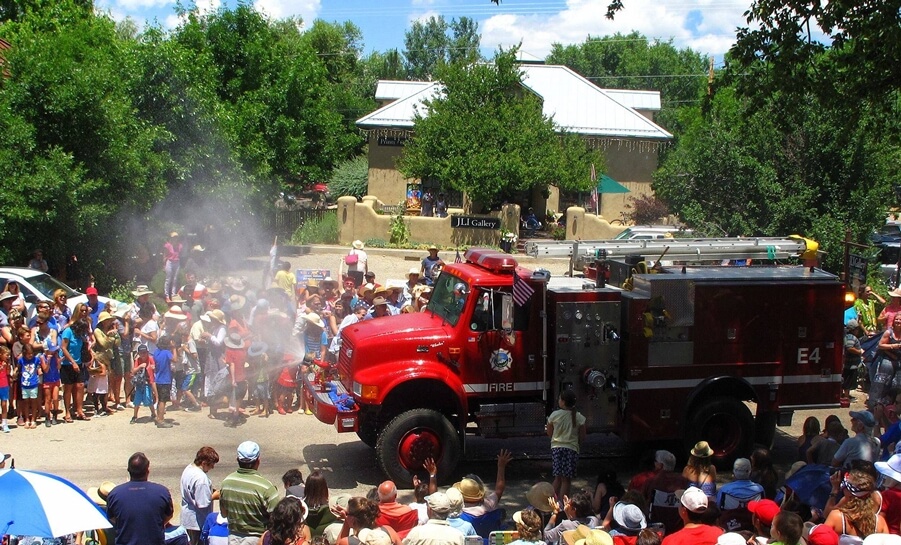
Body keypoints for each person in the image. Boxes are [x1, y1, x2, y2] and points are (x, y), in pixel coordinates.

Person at [220, 440, 281, 545]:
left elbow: (224, 513)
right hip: (258, 539)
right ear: (258, 461)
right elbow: (277, 519)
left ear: (237, 460)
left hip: (233, 538)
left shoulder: (226, 483)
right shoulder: (266, 488)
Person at [106, 452, 175, 545]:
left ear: (128, 470)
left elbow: (112, 517)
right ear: (147, 471)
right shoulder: (162, 492)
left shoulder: (114, 494)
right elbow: (168, 515)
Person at [823, 468, 889, 542]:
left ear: (850, 493)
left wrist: (834, 489)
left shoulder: (836, 516)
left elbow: (821, 540)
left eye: (844, 485)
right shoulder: (880, 522)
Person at [547, 389, 587, 499]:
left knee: (557, 478)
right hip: (571, 449)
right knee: (566, 480)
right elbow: (582, 436)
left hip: (556, 448)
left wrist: (555, 439)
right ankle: (563, 503)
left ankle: (547, 501)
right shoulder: (579, 417)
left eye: (560, 398)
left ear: (563, 402)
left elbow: (549, 432)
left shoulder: (554, 415)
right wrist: (577, 444)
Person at [181, 446, 220, 545]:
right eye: (211, 464)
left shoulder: (189, 468)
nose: (212, 467)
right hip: (197, 522)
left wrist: (209, 491)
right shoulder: (201, 478)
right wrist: (215, 495)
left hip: (188, 519)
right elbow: (202, 503)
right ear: (204, 463)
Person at [335, 496, 401, 545]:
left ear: (353, 519)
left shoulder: (347, 542)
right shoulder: (388, 531)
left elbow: (338, 543)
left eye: (347, 513)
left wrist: (346, 522)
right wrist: (349, 516)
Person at [875, 453, 901, 534]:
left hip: (887, 536)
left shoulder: (888, 495)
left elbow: (878, 520)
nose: (885, 477)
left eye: (887, 474)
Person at [131, 344, 157, 424]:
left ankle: (153, 414)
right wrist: (140, 366)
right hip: (139, 383)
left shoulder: (150, 358)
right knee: (137, 400)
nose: (143, 354)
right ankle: (134, 416)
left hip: (148, 382)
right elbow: (133, 371)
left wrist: (154, 367)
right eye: (141, 353)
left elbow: (155, 368)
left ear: (147, 352)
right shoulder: (138, 360)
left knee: (148, 398)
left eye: (145, 352)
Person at [844, 321, 864, 402]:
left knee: (847, 381)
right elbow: (849, 348)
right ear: (853, 329)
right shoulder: (851, 337)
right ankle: (846, 397)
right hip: (850, 365)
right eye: (857, 329)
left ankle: (845, 395)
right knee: (848, 381)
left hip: (850, 364)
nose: (858, 331)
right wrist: (859, 351)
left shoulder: (848, 336)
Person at [165, 232, 184, 302]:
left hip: (177, 262)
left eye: (176, 237)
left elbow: (180, 254)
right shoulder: (168, 245)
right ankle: (167, 295)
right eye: (174, 237)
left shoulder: (180, 246)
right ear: (171, 238)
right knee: (168, 279)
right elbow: (165, 254)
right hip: (169, 261)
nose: (175, 238)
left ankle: (173, 295)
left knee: (175, 279)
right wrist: (164, 264)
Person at [0, 346, 10, 432]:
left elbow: (7, 373)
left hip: (4, 385)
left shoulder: (6, 363)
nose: (8, 357)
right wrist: (1, 368)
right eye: (6, 355)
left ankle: (4, 423)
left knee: (4, 404)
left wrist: (8, 367)